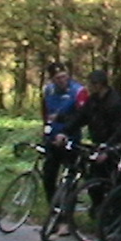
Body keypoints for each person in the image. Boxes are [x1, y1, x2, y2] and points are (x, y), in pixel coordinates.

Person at [41, 62, 88, 202]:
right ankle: (52, 205)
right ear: (52, 79)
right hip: (52, 137)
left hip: (70, 138)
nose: (62, 80)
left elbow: (83, 116)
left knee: (70, 176)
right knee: (48, 174)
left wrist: (65, 125)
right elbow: (45, 112)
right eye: (58, 78)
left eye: (64, 76)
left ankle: (69, 207)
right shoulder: (48, 90)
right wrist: (45, 128)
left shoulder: (78, 91)